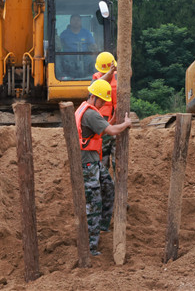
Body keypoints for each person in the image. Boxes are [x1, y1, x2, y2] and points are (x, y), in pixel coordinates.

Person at [76, 79, 132, 256]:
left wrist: (113, 122)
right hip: (88, 164)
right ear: (93, 97)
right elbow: (112, 132)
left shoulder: (85, 109)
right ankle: (90, 246)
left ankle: (102, 226)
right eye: (101, 101)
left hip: (93, 162)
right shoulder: (90, 114)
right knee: (94, 203)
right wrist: (125, 124)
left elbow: (103, 129)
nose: (102, 104)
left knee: (108, 186)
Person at [92, 52, 118, 170]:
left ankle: (117, 186)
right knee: (103, 159)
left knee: (118, 160)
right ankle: (104, 184)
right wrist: (109, 73)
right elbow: (96, 85)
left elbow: (129, 73)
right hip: (103, 123)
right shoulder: (97, 78)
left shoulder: (118, 76)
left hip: (117, 121)